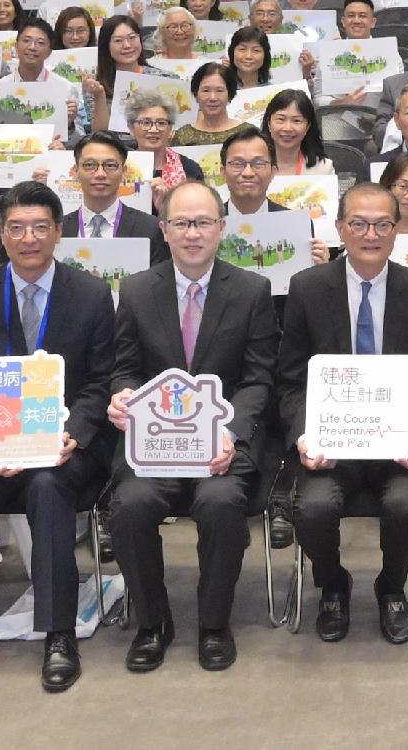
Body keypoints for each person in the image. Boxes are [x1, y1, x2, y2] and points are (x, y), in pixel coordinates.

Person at [0, 182, 119, 693]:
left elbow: (100, 382)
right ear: (1, 233)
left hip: (64, 444)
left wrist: (72, 435)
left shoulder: (91, 293)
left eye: (40, 227)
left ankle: (59, 632)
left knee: (47, 487)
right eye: (16, 227)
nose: (28, 238)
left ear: (59, 232)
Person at [105, 178, 276, 674]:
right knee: (131, 504)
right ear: (164, 229)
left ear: (222, 228)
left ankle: (213, 623)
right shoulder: (137, 290)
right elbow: (126, 367)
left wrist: (233, 432)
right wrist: (122, 396)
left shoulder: (251, 290)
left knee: (220, 503)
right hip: (153, 442)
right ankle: (153, 623)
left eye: (203, 222)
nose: (193, 234)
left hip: (221, 442)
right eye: (182, 223)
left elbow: (258, 378)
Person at [279, 184, 408, 645]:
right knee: (312, 509)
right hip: (331, 444)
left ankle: (391, 586)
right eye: (358, 223)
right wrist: (303, 438)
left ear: (397, 230)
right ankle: (333, 584)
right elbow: (292, 382)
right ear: (340, 228)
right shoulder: (308, 289)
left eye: (382, 224)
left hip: (400, 446)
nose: (370, 234)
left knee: (406, 503)